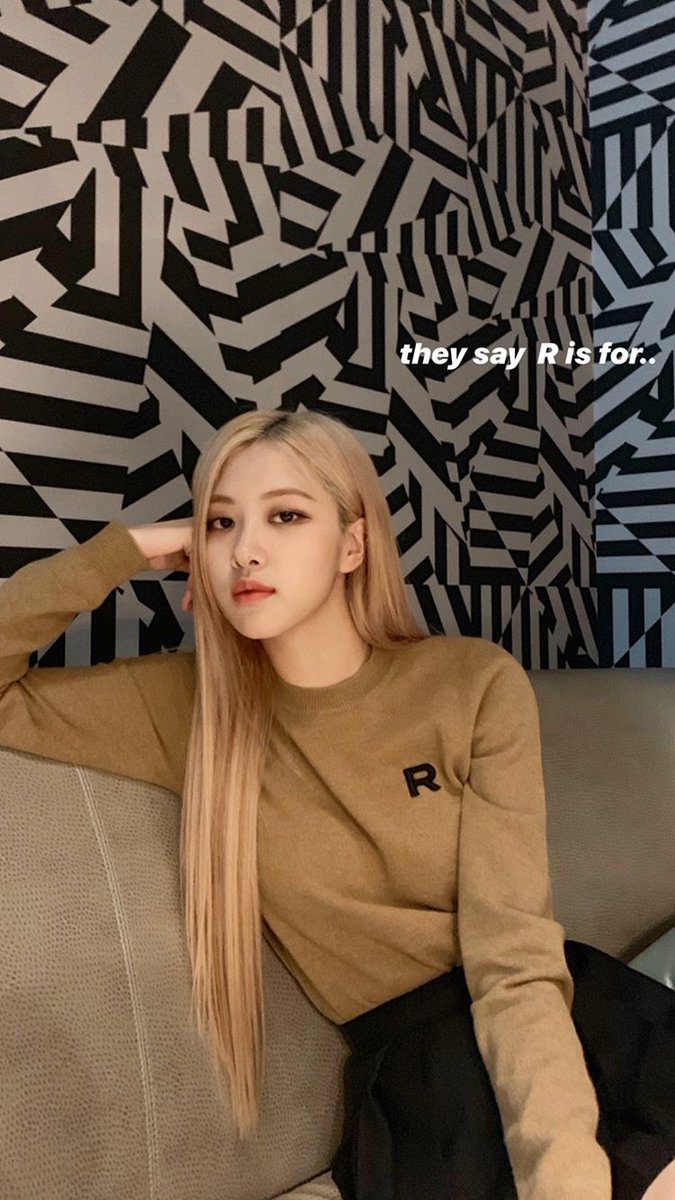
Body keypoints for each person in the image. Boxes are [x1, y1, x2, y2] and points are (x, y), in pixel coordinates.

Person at [0, 408, 673, 1200]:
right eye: (220, 523)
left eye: (286, 515)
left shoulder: (469, 682)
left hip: (559, 1017)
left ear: (353, 545)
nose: (246, 549)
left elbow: (513, 955)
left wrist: (562, 1170)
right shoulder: (187, 710)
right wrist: (129, 549)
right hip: (423, 1074)